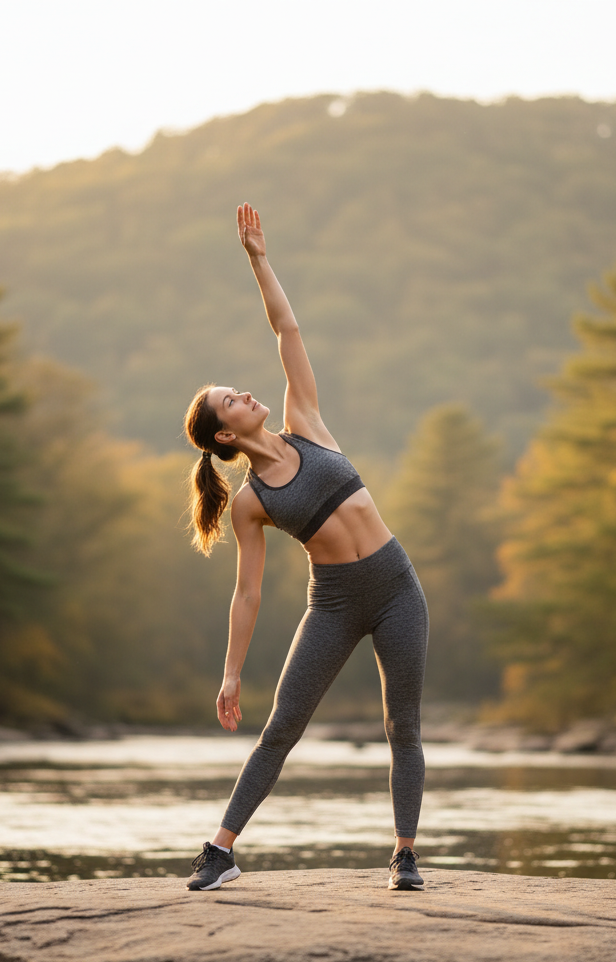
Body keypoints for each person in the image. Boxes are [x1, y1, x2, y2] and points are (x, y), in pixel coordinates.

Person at [181, 203, 429, 892]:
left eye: (240, 389)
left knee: (401, 724)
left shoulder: (306, 423)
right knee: (281, 726)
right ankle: (221, 851)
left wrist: (259, 257)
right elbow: (248, 592)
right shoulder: (252, 504)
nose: (247, 393)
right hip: (337, 604)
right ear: (225, 435)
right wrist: (231, 674)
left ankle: (404, 855)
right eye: (233, 399)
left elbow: (287, 327)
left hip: (398, 589)